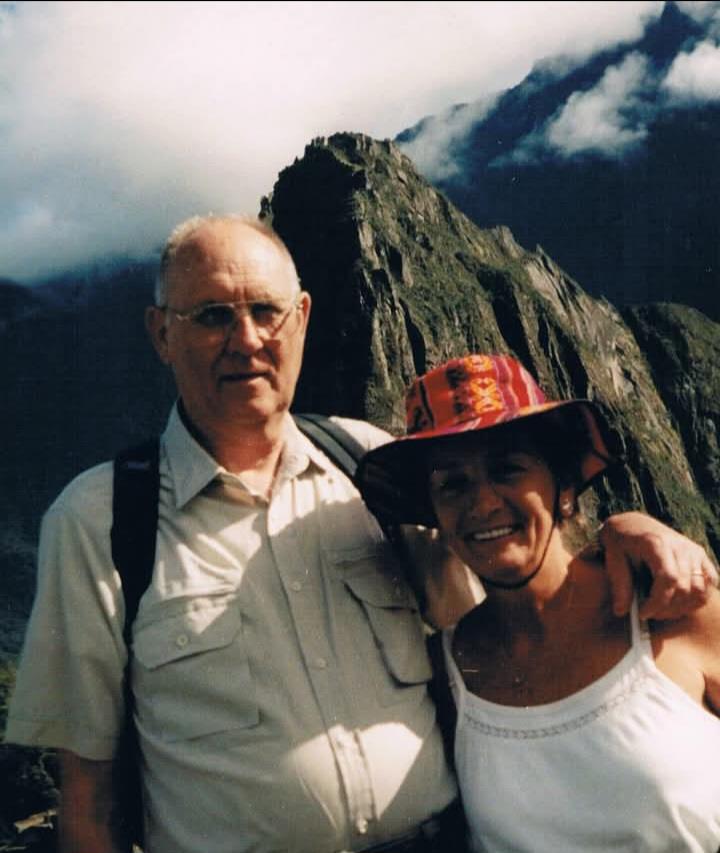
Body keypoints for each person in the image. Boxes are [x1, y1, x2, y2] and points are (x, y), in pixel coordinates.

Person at [4, 217, 716, 853]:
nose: (246, 339)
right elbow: (88, 798)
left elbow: (506, 579)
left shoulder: (363, 467)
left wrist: (629, 529)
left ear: (302, 319)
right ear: (162, 332)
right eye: (212, 315)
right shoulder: (102, 520)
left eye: (265, 312)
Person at [356, 353, 720, 852]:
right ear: (435, 513)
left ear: (563, 488)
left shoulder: (674, 608)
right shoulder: (447, 677)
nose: (482, 504)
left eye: (508, 469)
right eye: (453, 484)